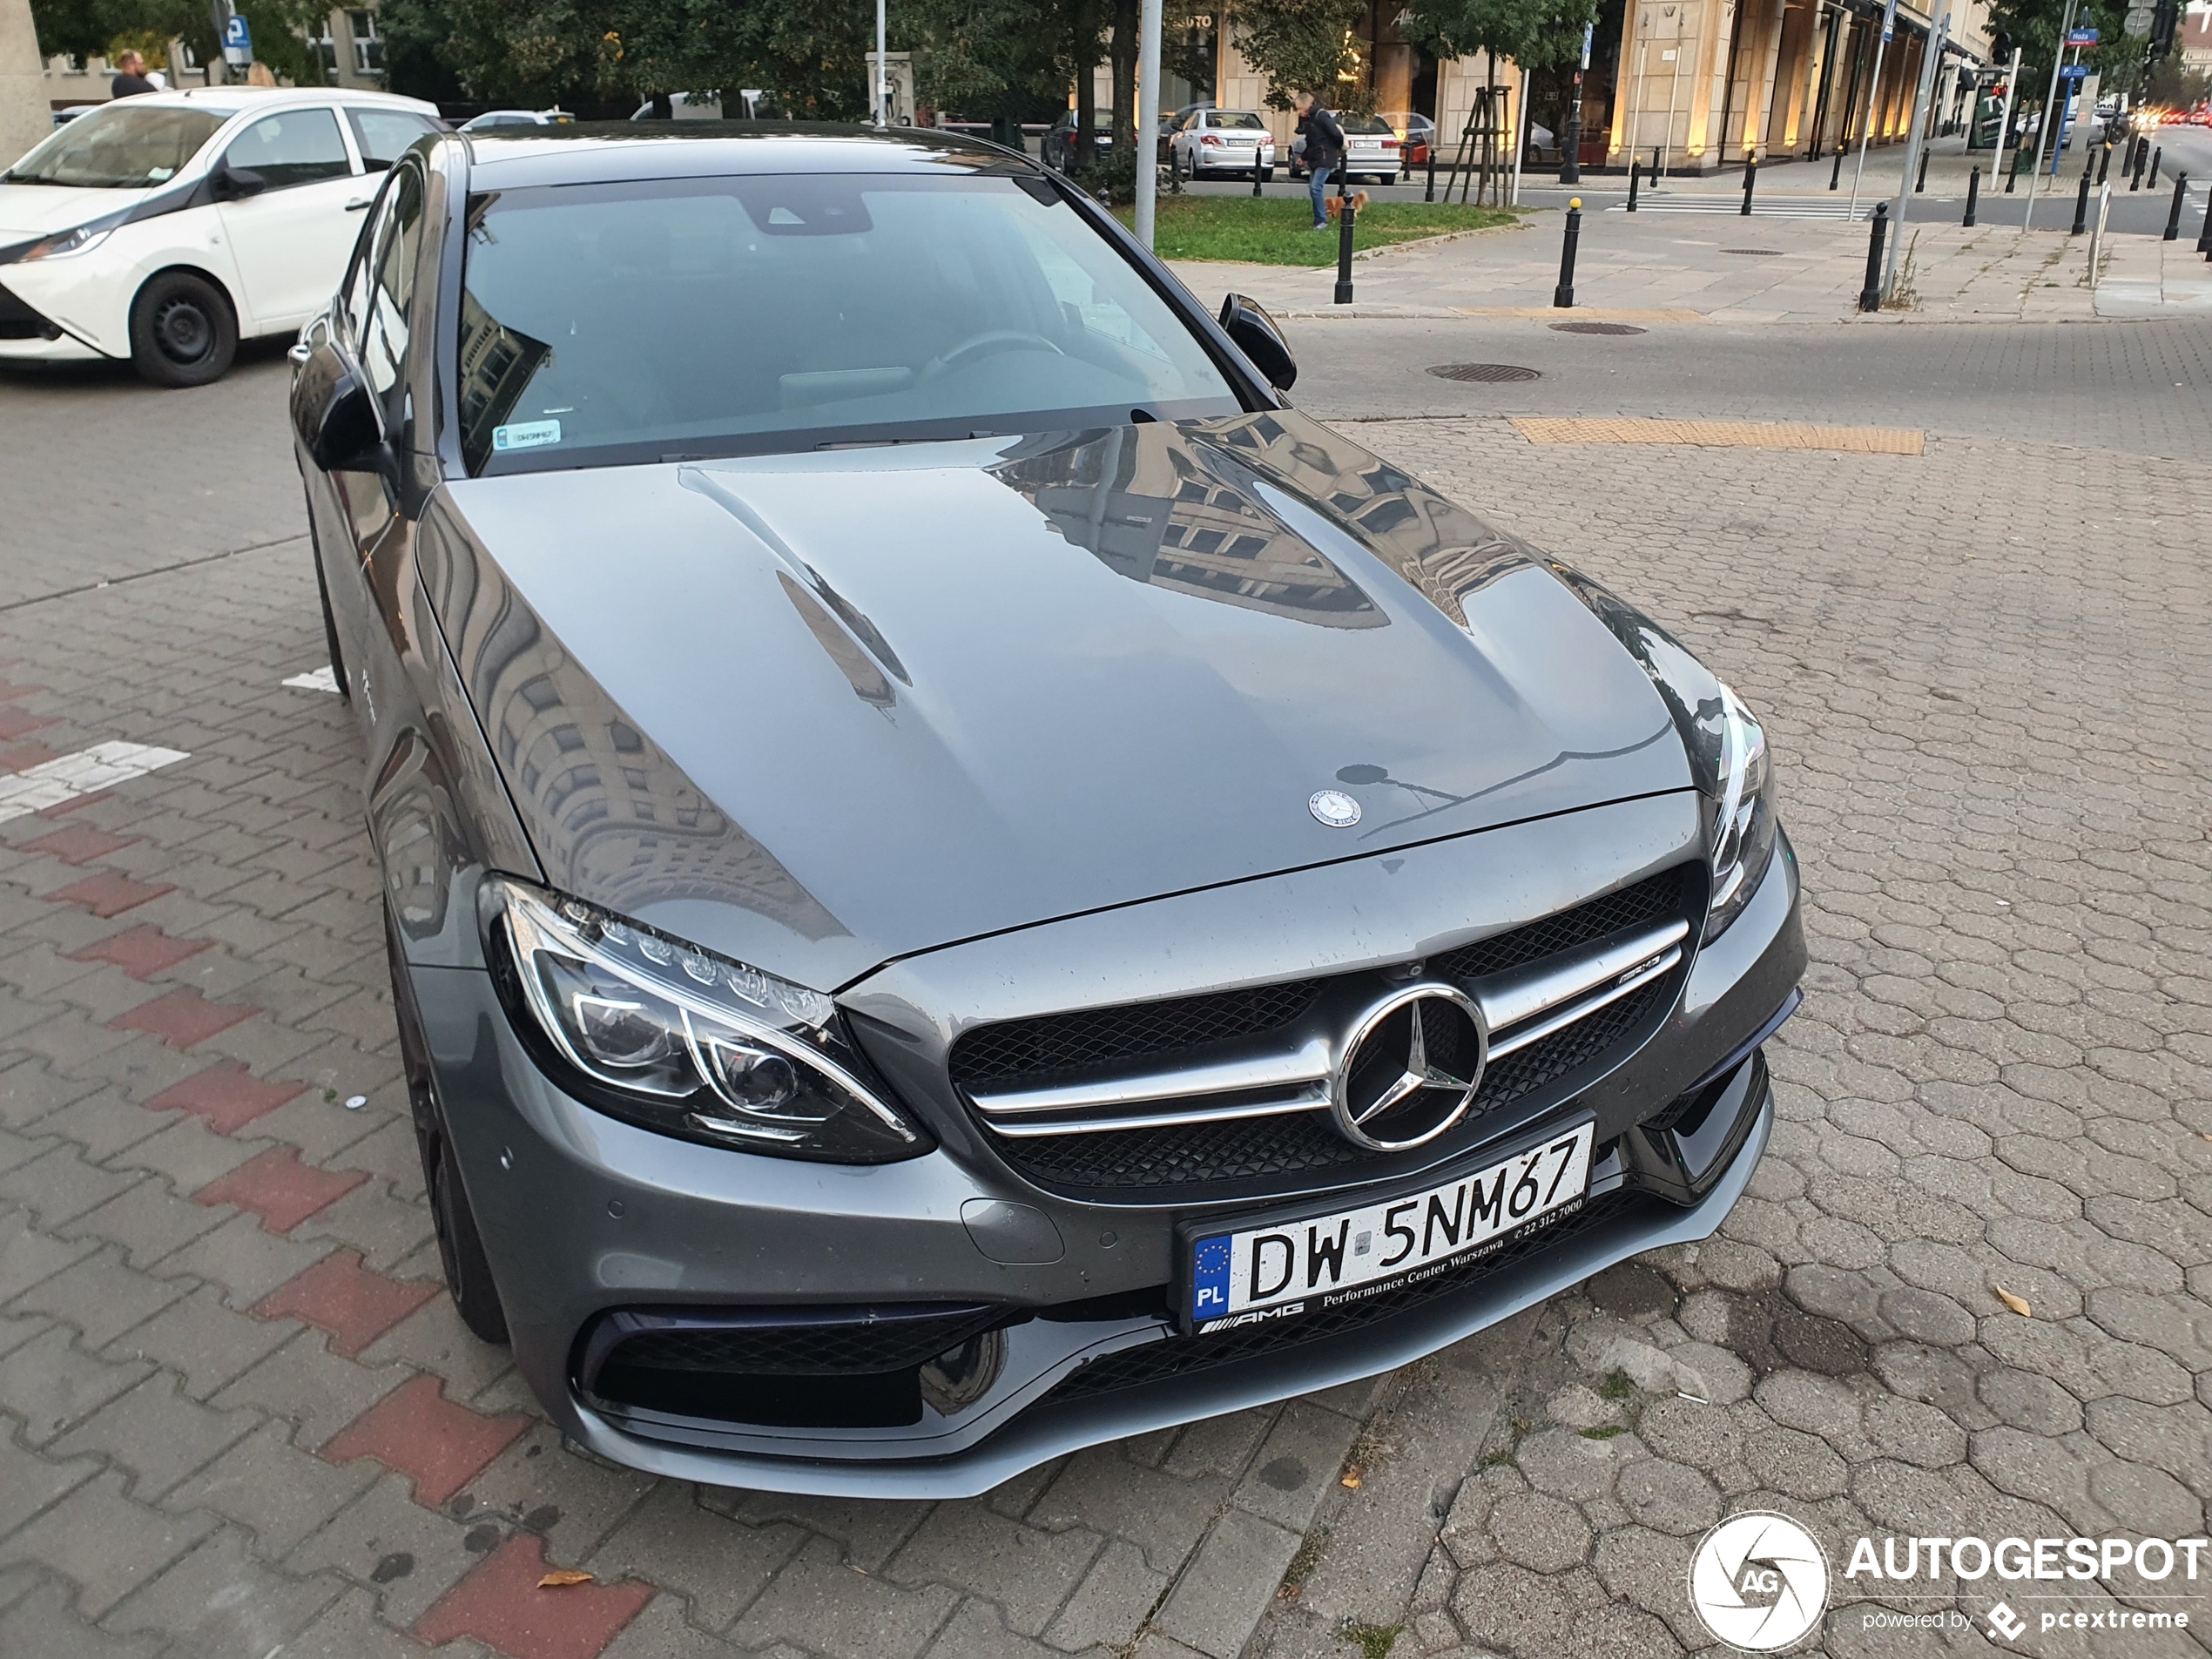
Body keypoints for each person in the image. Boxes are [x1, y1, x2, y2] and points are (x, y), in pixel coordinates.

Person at [1294, 91, 1345, 230]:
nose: (1299, 112)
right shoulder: (1310, 119)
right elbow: (1311, 143)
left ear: (1307, 105)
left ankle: (1322, 221)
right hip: (1316, 158)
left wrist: (1337, 148)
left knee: (1315, 188)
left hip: (1325, 158)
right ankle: (1320, 218)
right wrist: (1303, 158)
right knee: (1314, 189)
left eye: (1300, 109)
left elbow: (1335, 134)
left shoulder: (1322, 116)